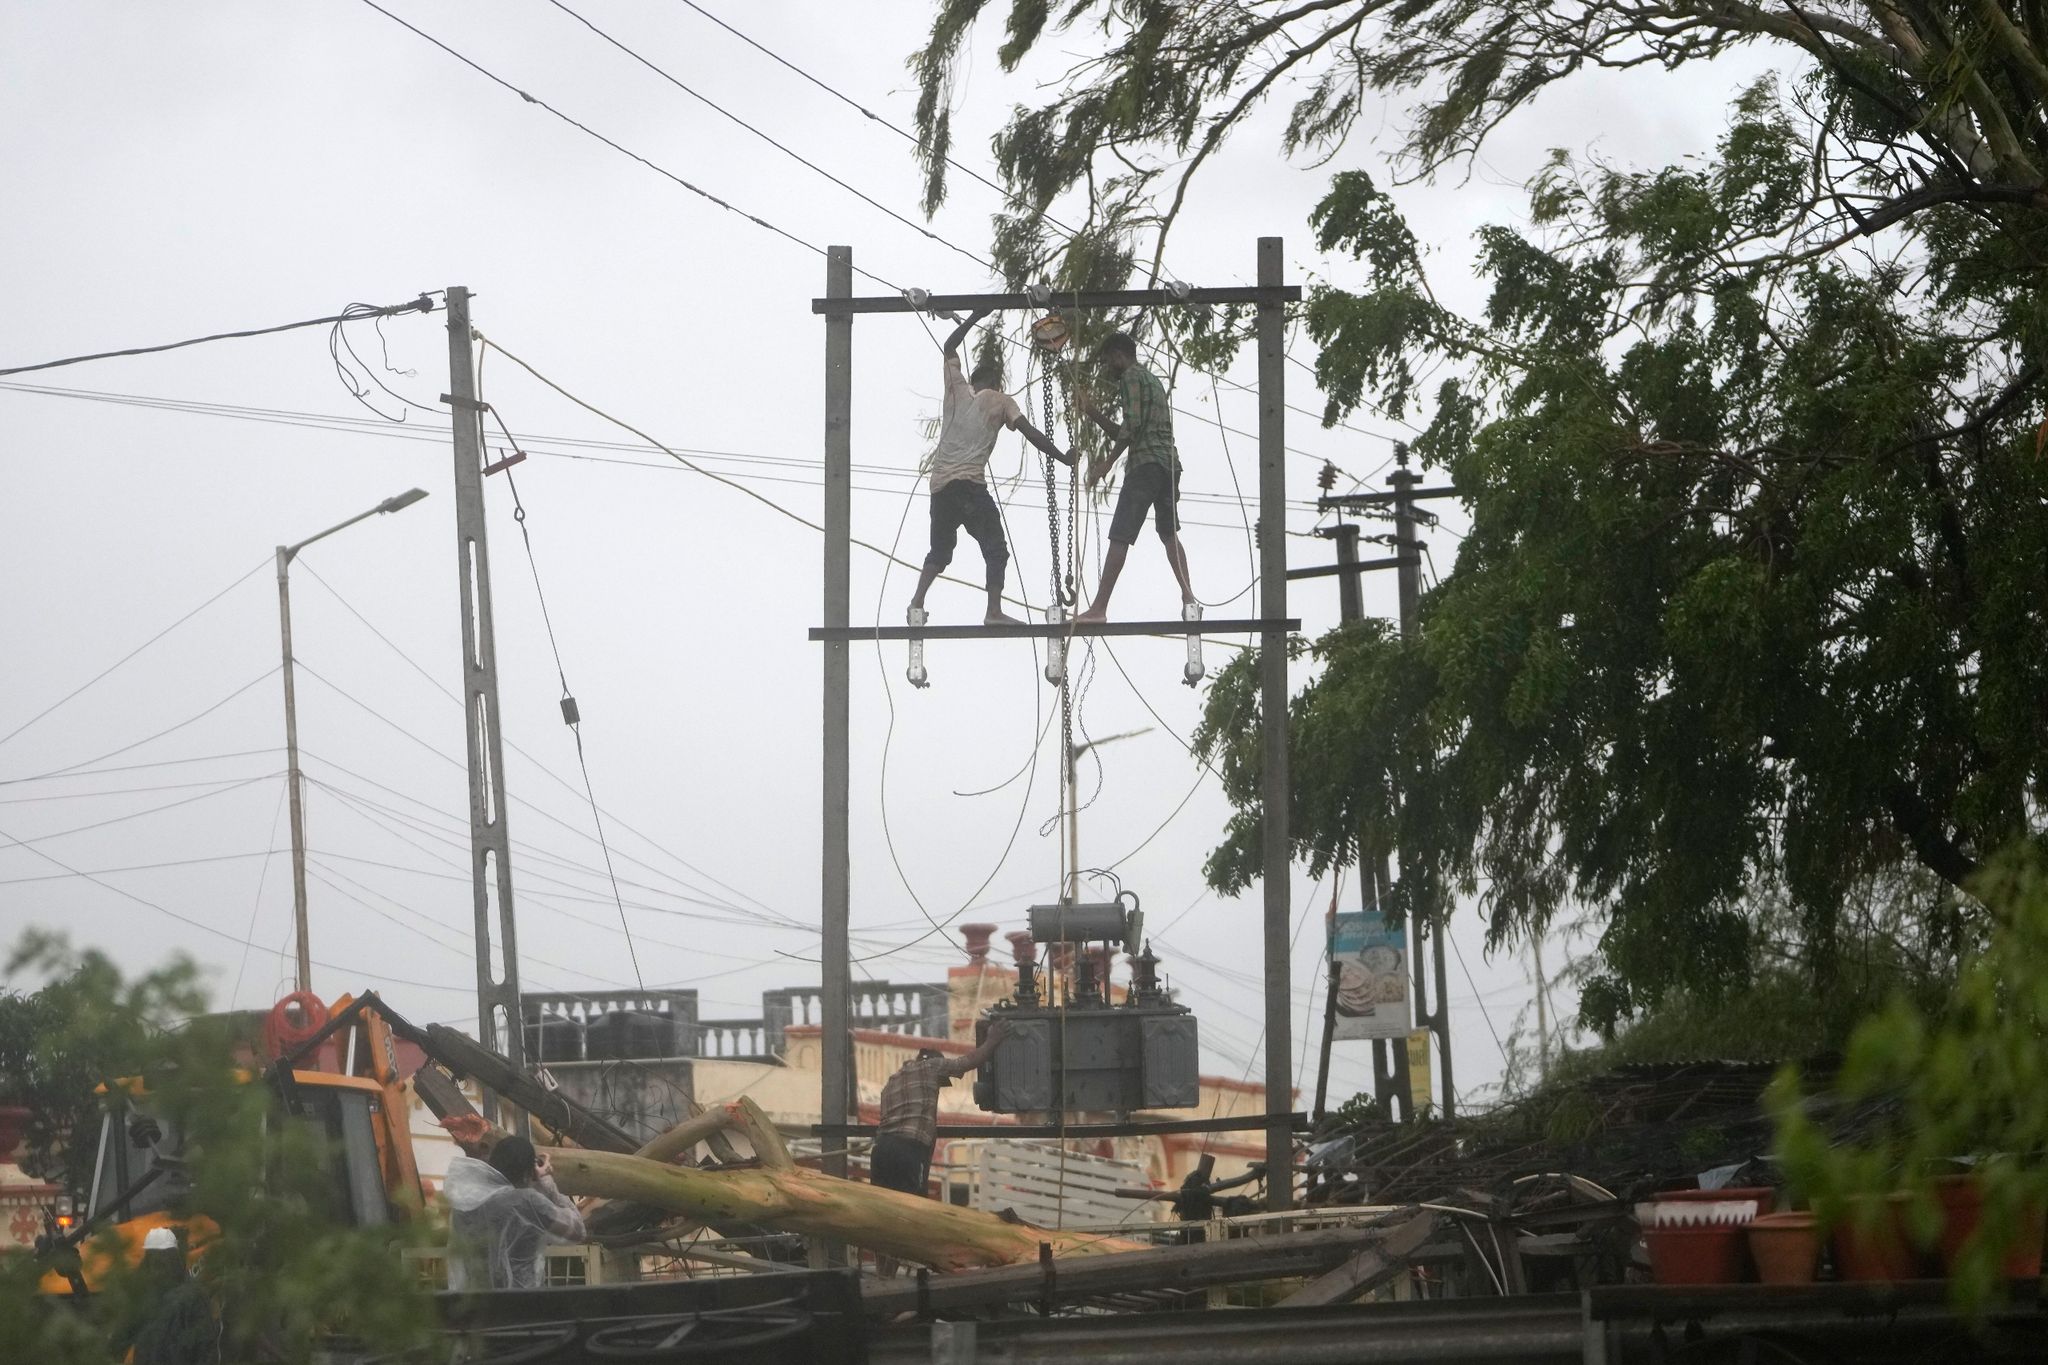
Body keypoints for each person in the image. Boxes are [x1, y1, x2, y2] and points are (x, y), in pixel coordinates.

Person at [909, 308, 1076, 625]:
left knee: (940, 553)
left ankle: (916, 602)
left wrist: (975, 316)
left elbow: (949, 346)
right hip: (971, 487)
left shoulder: (955, 390)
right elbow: (1032, 434)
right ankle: (993, 612)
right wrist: (1063, 457)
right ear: (996, 383)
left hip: (941, 488)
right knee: (996, 549)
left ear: (971, 380)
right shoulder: (1002, 400)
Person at [1076, 332, 1196, 621]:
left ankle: (1099, 608)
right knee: (1169, 534)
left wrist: (1106, 464)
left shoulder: (1130, 377)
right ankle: (1189, 597)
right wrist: (1091, 412)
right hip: (1169, 465)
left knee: (1120, 534)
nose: (1108, 368)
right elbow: (1133, 429)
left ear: (1119, 355)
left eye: (1108, 362)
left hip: (1145, 466)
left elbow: (1131, 426)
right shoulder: (1152, 381)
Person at [870, 1024, 1009, 1201]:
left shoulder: (892, 1081)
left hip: (881, 1149)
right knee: (912, 1207)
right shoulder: (931, 1066)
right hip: (908, 1150)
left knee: (880, 1204)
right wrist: (992, 1041)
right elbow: (965, 1063)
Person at [442, 1135, 587, 1291]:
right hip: (521, 1301)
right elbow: (577, 1231)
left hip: (476, 1303)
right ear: (527, 1173)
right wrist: (548, 1186)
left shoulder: (465, 1203)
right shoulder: (527, 1202)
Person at [120, 1226, 218, 1365]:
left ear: (174, 1261)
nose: (158, 1272)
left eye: (163, 1263)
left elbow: (205, 1347)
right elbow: (121, 1338)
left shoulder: (193, 1297)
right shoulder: (142, 1298)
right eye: (155, 1264)